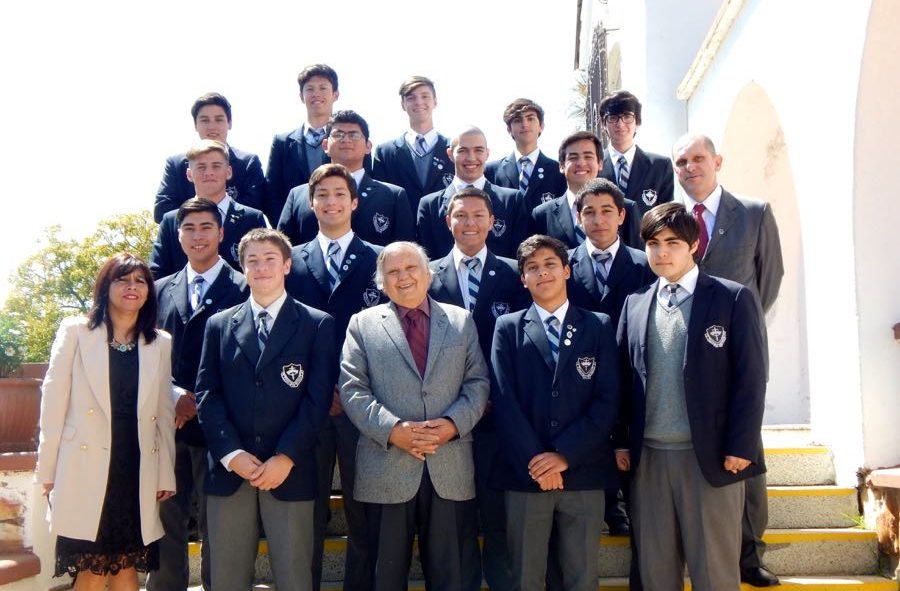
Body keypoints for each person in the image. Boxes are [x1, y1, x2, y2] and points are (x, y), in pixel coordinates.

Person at [617, 202, 766, 591]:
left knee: (714, 572)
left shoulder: (731, 298)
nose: (661, 252)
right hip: (648, 459)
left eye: (672, 242)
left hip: (711, 460)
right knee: (655, 572)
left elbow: (751, 379)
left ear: (694, 244)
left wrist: (741, 445)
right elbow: (621, 381)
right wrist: (620, 441)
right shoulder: (634, 304)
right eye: (652, 243)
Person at [340, 241, 489, 591]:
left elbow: (478, 383)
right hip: (386, 466)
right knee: (384, 577)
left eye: (411, 268)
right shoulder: (362, 325)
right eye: (393, 271)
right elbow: (352, 389)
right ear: (381, 282)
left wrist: (452, 425)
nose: (403, 277)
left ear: (429, 274)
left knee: (452, 575)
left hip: (448, 464)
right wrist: (393, 430)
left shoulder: (460, 320)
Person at [195, 228, 336, 591]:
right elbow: (207, 394)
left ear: (287, 265)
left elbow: (317, 400)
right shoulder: (219, 325)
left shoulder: (316, 324)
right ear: (242, 269)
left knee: (294, 577)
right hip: (230, 473)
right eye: (252, 261)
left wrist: (286, 457)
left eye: (270, 259)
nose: (261, 268)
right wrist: (231, 454)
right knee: (226, 579)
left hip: (290, 471)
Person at [672, 133, 784, 588]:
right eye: (681, 160)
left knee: (746, 449)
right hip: (682, 352)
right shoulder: (670, 218)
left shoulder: (754, 213)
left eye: (698, 158)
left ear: (717, 160)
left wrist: (742, 325)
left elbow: (769, 280)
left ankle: (749, 554)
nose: (690, 167)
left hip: (736, 351)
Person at [37, 253, 176, 591]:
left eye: (140, 281)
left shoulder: (159, 342)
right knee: (93, 570)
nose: (133, 287)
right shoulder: (76, 332)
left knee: (127, 568)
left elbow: (163, 410)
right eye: (123, 279)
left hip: (136, 465)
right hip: (86, 466)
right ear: (105, 287)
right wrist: (48, 469)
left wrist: (165, 472)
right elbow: (53, 402)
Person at [490, 234, 620, 591]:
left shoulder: (598, 325)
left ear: (566, 270)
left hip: (583, 470)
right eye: (532, 267)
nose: (542, 273)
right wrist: (538, 460)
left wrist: (564, 454)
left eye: (550, 265)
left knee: (581, 577)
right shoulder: (508, 328)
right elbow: (505, 400)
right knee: (525, 577)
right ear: (523, 279)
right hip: (525, 474)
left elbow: (607, 399)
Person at [283, 163, 385, 591]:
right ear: (311, 203)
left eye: (340, 194)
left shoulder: (381, 258)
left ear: (354, 202)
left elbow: (389, 331)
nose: (331, 202)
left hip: (366, 402)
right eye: (322, 194)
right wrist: (321, 389)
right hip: (305, 404)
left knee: (364, 510)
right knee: (307, 511)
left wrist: (350, 389)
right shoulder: (290, 260)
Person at [427, 187, 531, 591]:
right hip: (444, 413)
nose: (469, 223)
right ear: (447, 221)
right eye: (460, 216)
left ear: (492, 222)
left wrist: (493, 397)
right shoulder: (427, 275)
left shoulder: (514, 274)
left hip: (499, 416)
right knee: (454, 520)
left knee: (499, 515)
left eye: (477, 216)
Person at [148, 198, 249, 591]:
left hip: (222, 428)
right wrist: (172, 393)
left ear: (221, 233)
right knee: (165, 521)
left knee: (218, 526)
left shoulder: (244, 287)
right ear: (178, 235)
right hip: (167, 423)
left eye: (206, 227)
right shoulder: (157, 290)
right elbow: (144, 352)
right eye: (189, 228)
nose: (198, 235)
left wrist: (203, 402)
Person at [278, 111, 415, 247]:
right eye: (338, 134)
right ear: (325, 145)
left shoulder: (393, 196)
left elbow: (406, 252)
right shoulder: (298, 195)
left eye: (354, 135)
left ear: (368, 146)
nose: (346, 140)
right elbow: (282, 250)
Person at [150, 140, 267, 279]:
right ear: (189, 174)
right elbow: (157, 274)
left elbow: (264, 268)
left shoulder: (252, 218)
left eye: (216, 166)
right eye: (201, 167)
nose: (209, 173)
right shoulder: (171, 221)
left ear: (228, 171)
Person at [417, 126, 528, 259]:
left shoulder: (511, 201)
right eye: (463, 151)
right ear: (450, 154)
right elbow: (426, 261)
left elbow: (521, 257)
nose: (471, 158)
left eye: (478, 150)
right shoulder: (430, 205)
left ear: (487, 153)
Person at [154, 92, 266, 222]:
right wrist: (199, 223)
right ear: (195, 125)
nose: (212, 126)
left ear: (229, 123)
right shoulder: (176, 164)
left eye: (219, 119)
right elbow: (162, 210)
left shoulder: (247, 163)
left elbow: (255, 207)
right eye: (205, 120)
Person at [532, 131, 642, 250]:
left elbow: (637, 260)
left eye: (588, 156)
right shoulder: (542, 214)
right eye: (573, 157)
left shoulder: (626, 208)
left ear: (600, 163)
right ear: (561, 166)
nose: (581, 163)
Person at [265, 64, 340, 223]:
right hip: (295, 233)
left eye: (323, 88)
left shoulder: (348, 140)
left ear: (335, 95)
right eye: (310, 89)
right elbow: (272, 194)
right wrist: (287, 225)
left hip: (340, 226)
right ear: (301, 96)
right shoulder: (282, 143)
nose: (316, 94)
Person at [372, 76, 454, 217]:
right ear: (403, 105)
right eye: (411, 98)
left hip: (444, 232)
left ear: (435, 101)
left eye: (425, 96)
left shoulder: (454, 149)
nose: (418, 102)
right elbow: (381, 199)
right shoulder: (385, 152)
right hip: (401, 233)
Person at [598, 91, 674, 217]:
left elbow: (666, 217)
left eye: (627, 116)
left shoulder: (660, 166)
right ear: (604, 124)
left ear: (637, 122)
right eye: (613, 118)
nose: (620, 124)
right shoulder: (594, 166)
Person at [485, 98, 567, 212]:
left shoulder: (558, 171)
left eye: (530, 119)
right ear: (509, 129)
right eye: (518, 120)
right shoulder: (491, 171)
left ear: (541, 126)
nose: (525, 124)